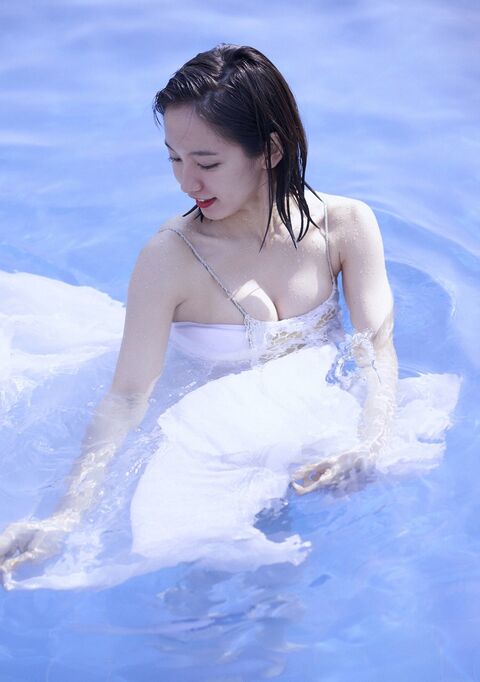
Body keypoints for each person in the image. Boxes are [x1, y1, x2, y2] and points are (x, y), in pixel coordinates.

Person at [0, 44, 401, 586]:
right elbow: (127, 396)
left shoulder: (345, 225)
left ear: (270, 150)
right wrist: (66, 516)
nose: (186, 183)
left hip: (311, 422)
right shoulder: (168, 259)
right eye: (174, 158)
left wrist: (370, 442)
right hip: (208, 445)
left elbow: (375, 344)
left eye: (207, 163)